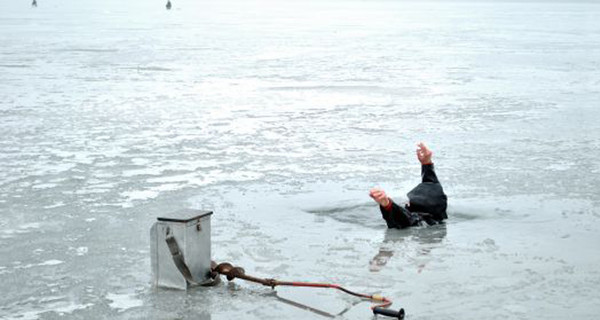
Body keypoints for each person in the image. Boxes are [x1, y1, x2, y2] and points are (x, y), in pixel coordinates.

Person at [369, 142, 447, 228]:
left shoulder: (417, 221)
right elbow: (431, 183)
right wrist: (427, 164)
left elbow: (404, 218)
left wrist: (387, 205)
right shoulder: (439, 212)